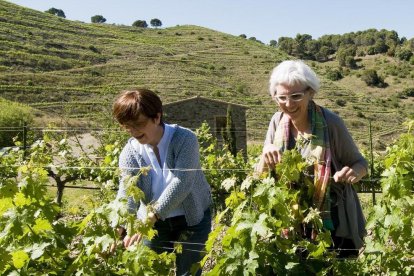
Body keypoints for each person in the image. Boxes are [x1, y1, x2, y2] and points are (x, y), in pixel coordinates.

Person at [257, 60, 367, 258]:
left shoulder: (331, 123)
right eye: (281, 97)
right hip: (289, 223)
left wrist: (352, 173)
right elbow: (260, 172)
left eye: (296, 96)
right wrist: (267, 153)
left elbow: (360, 164)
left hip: (329, 224)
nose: (289, 104)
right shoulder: (276, 122)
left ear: (311, 93)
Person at [112, 88, 212, 275]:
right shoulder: (130, 152)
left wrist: (151, 217)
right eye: (127, 126)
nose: (133, 131)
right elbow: (128, 192)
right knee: (151, 270)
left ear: (156, 117)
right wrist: (118, 227)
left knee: (188, 273)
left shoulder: (185, 139)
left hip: (192, 218)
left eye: (138, 124)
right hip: (154, 223)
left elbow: (182, 182)